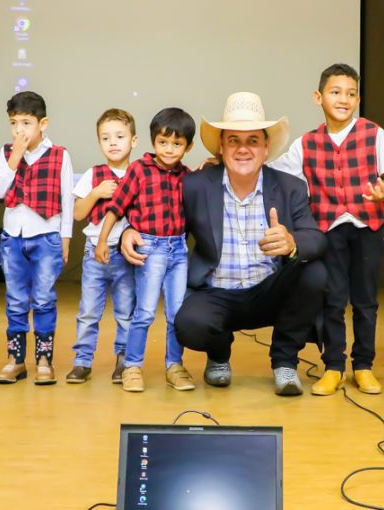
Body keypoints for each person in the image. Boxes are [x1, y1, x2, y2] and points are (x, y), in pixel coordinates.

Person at [123, 92, 326, 396]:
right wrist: (129, 228)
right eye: (233, 141)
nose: (243, 149)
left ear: (266, 147)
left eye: (253, 141)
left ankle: (284, 360)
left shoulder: (289, 187)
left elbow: (317, 238)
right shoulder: (194, 186)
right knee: (189, 323)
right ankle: (218, 356)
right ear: (221, 146)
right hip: (217, 293)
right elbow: (155, 207)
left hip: (269, 290)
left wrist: (291, 241)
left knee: (315, 274)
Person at [270, 64, 384, 396]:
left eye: (351, 94)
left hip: (367, 227)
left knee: (366, 300)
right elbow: (274, 170)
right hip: (328, 229)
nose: (344, 99)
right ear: (318, 97)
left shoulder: (373, 133)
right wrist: (226, 160)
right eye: (336, 92)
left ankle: (364, 365)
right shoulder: (306, 143)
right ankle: (334, 366)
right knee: (333, 300)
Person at [96, 108, 196, 393]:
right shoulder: (139, 170)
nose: (169, 149)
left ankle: (174, 366)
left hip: (177, 249)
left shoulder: (186, 176)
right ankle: (132, 366)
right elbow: (116, 209)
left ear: (188, 147)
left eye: (177, 144)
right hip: (149, 249)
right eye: (163, 142)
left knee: (177, 313)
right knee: (146, 312)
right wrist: (103, 241)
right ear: (153, 142)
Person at [0, 91, 74, 385]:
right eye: (14, 123)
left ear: (43, 123)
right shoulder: (5, 154)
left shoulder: (59, 155)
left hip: (47, 237)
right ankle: (15, 360)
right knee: (15, 300)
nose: (19, 130)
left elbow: (67, 199)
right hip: (13, 237)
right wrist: (14, 157)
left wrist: (65, 240)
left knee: (43, 299)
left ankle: (44, 360)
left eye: (26, 123)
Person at [66, 109, 138, 384]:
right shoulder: (93, 175)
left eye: (120, 136)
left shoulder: (138, 174)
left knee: (125, 311)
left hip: (125, 254)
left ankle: (123, 359)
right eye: (106, 138)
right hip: (94, 251)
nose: (113, 142)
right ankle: (82, 361)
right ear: (99, 143)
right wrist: (96, 193)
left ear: (133, 140)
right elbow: (77, 213)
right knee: (88, 311)